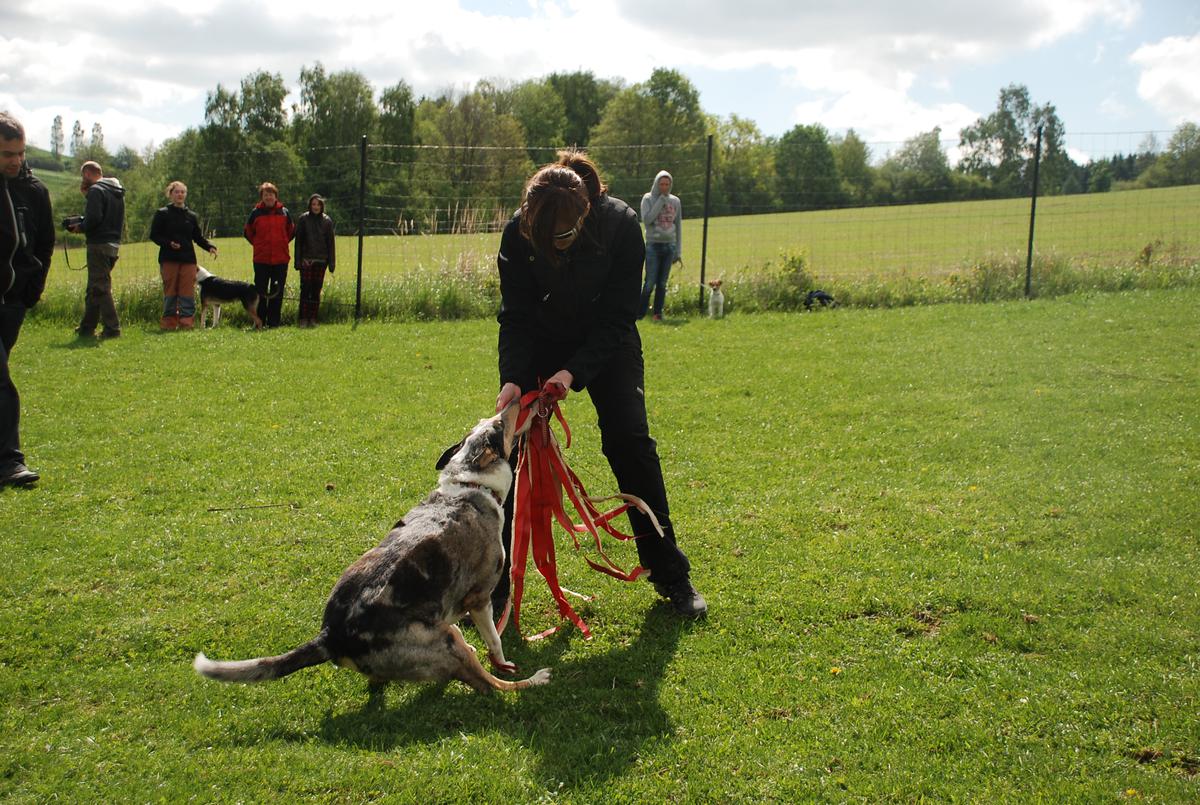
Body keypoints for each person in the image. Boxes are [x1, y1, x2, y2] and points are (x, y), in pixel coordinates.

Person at [493, 150, 706, 618]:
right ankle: (493, 587)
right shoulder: (515, 234)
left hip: (607, 342)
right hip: (540, 341)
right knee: (505, 449)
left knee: (630, 443)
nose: (551, 245)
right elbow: (516, 315)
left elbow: (617, 317)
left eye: (563, 237)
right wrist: (513, 379)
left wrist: (574, 372)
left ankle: (671, 573)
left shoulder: (623, 226)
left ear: (585, 212)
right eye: (540, 237)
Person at [0, 112, 53, 487]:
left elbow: (45, 244)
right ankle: (10, 461)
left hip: (13, 302)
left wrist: (32, 289)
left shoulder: (34, 192)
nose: (15, 160)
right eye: (6, 154)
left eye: (19, 152)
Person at [149, 181, 218, 331]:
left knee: (187, 292)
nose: (180, 195)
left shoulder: (191, 216)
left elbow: (197, 237)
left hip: (188, 260)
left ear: (185, 195)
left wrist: (209, 246)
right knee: (170, 291)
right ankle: (169, 323)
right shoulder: (162, 213)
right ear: (170, 194)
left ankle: (187, 323)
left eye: (182, 192)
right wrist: (168, 243)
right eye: (177, 192)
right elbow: (154, 235)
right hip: (168, 258)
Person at [68, 160, 124, 338]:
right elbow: (105, 214)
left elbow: (94, 218)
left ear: (87, 174)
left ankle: (112, 328)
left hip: (98, 244)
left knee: (100, 287)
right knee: (94, 286)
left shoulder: (96, 190)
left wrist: (80, 227)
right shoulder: (116, 191)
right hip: (113, 243)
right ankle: (87, 327)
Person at [243, 182, 294, 328]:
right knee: (260, 291)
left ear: (276, 196)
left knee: (277, 291)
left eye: (271, 194)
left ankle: (274, 322)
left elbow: (291, 232)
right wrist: (259, 245)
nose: (269, 197)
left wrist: (281, 243)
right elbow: (248, 232)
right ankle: (260, 322)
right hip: (261, 260)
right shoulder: (255, 213)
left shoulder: (285, 212)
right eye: (266, 195)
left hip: (280, 259)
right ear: (262, 197)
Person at [638, 170, 682, 321]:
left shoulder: (676, 201)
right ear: (656, 184)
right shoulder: (648, 199)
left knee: (662, 283)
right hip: (653, 246)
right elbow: (647, 219)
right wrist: (661, 201)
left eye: (667, 184)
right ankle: (640, 313)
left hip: (669, 246)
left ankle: (658, 313)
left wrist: (678, 250)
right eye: (661, 184)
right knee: (649, 282)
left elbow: (678, 227)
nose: (664, 187)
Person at [293, 193, 336, 328]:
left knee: (316, 290)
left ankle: (313, 318)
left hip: (321, 261)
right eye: (313, 204)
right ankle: (303, 318)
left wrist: (332, 262)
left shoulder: (327, 221)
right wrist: (297, 261)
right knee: (305, 289)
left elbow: (331, 243)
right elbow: (298, 242)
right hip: (306, 260)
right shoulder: (303, 219)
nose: (316, 207)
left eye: (318, 204)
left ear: (322, 206)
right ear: (309, 206)